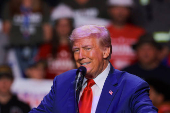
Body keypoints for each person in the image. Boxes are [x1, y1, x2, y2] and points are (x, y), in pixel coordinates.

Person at [29, 25, 157, 113]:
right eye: (76, 50)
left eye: (87, 49)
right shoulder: (63, 81)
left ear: (106, 51)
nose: (80, 56)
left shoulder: (132, 86)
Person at [35, 4, 76, 79]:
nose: (63, 28)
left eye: (66, 25)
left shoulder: (78, 48)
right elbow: (38, 69)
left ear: (71, 27)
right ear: (55, 27)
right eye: (60, 25)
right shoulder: (46, 48)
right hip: (49, 88)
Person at [106, 0, 145, 70]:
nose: (120, 12)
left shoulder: (139, 33)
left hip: (133, 76)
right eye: (116, 8)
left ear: (130, 11)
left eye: (124, 8)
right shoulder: (101, 33)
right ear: (109, 10)